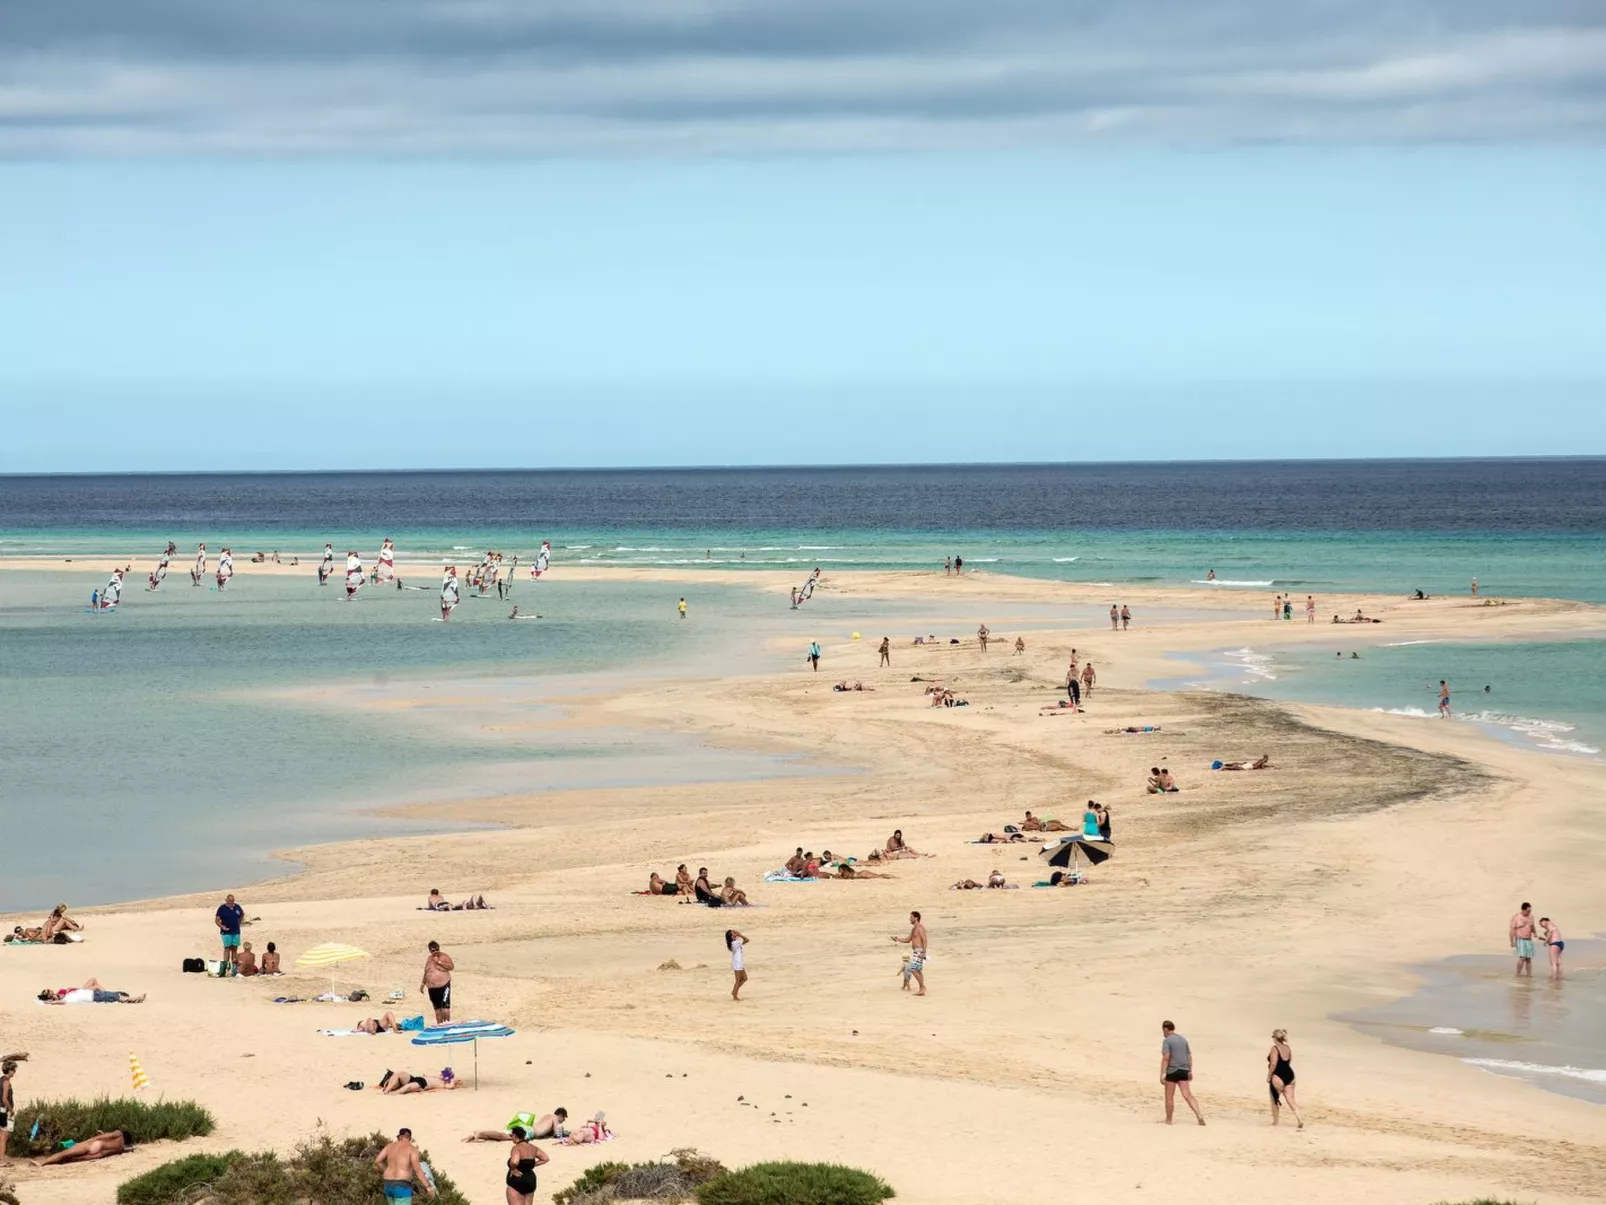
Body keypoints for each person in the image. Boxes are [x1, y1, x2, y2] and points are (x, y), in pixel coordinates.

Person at [1160, 1021, 1205, 1125]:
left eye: (1163, 1030)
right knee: (1187, 1094)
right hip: (1184, 1070)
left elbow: (1166, 1057)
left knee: (1169, 1096)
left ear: (1166, 1029)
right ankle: (1199, 1114)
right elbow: (1189, 1055)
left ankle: (1169, 1120)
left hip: (1172, 1071)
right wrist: (1189, 1070)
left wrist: (1162, 1073)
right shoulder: (1183, 1039)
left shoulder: (1167, 1041)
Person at [374, 1127, 437, 1200]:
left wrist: (386, 1171)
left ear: (400, 1137)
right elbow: (417, 1169)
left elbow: (377, 1161)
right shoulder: (412, 1149)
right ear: (410, 1138)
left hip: (388, 1184)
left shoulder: (389, 1146)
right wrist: (428, 1187)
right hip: (402, 1186)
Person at [500, 1126, 549, 1204]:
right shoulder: (533, 1147)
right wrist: (532, 1165)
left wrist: (513, 1169)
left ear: (515, 1136)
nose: (511, 1138)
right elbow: (545, 1158)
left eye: (511, 1135)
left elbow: (514, 1161)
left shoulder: (516, 1148)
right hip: (530, 1181)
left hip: (517, 1181)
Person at [31, 1129, 130, 1166]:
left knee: (65, 1153)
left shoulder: (119, 1134)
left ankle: (42, 1162)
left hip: (95, 1145)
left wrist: (89, 1140)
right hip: (97, 1154)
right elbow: (103, 1154)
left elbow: (104, 1136)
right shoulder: (120, 1149)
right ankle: (54, 1162)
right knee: (71, 1158)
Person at [1266, 1028, 1303, 1128]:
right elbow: (1288, 1061)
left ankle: (1275, 1122)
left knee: (1274, 1100)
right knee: (1291, 1099)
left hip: (1278, 1075)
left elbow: (1273, 1064)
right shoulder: (1287, 1048)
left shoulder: (1274, 1048)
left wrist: (1269, 1077)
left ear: (1275, 1038)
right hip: (1290, 1075)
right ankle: (1299, 1118)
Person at [464, 1108, 569, 1142]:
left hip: (527, 1128)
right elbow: (556, 1134)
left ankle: (476, 1135)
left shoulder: (547, 1116)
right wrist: (564, 1133)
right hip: (529, 1132)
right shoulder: (555, 1118)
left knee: (504, 1134)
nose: (562, 1121)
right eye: (563, 1119)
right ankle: (481, 1133)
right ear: (560, 1115)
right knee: (504, 1137)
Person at [892, 911, 927, 996]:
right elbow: (908, 940)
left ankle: (922, 987)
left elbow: (924, 940)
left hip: (919, 951)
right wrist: (898, 939)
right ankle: (921, 989)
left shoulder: (920, 928)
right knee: (918, 970)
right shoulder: (914, 929)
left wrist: (923, 952)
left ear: (916, 918)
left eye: (911, 917)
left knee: (913, 969)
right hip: (916, 951)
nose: (909, 919)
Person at [422, 940, 454, 1023]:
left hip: (444, 985)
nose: (436, 952)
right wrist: (423, 983)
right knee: (437, 1008)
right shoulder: (429, 959)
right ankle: (440, 1025)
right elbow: (426, 971)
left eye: (437, 949)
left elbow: (451, 966)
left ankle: (447, 1024)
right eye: (433, 950)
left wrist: (439, 962)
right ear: (430, 951)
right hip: (432, 988)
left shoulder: (444, 956)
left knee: (445, 1007)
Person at [38, 979, 145, 1004]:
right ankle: (133, 999)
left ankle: (130, 998)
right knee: (115, 996)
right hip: (94, 996)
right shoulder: (66, 998)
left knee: (112, 995)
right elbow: (60, 1002)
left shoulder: (66, 994)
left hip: (94, 994)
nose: (56, 996)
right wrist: (49, 1002)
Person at [215, 893, 245, 973]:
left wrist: (239, 922)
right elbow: (216, 920)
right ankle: (225, 967)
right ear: (226, 900)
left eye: (233, 901)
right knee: (227, 948)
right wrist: (222, 926)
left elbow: (242, 914)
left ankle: (234, 968)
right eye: (230, 901)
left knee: (234, 949)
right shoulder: (222, 908)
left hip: (236, 931)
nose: (232, 902)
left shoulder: (237, 907)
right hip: (226, 932)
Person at [378, 1068, 459, 1095]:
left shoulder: (444, 1084)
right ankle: (386, 1090)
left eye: (444, 1074)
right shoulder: (437, 1076)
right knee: (399, 1073)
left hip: (422, 1084)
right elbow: (426, 1074)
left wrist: (452, 1077)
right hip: (416, 1078)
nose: (442, 1075)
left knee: (408, 1087)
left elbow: (451, 1086)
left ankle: (393, 1093)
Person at [1510, 902, 1536, 976]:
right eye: (1528, 911)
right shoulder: (1516, 917)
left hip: (1529, 940)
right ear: (1523, 910)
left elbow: (1532, 925)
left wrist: (1535, 933)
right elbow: (1512, 930)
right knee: (1522, 957)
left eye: (1530, 911)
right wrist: (1512, 941)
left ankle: (1529, 975)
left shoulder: (1531, 916)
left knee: (1528, 958)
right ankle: (1518, 974)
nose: (1529, 912)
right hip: (1520, 939)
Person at [0, 1059, 16, 1166]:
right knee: (4, 1136)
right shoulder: (6, 1082)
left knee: (2, 1135)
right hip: (4, 1111)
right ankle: (2, 1160)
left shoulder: (1, 1079)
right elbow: (5, 1099)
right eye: (14, 1070)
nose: (14, 1072)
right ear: (9, 1070)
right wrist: (11, 1110)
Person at [727, 928, 748, 1000]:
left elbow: (746, 941)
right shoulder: (735, 943)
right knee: (738, 980)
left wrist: (738, 935)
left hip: (739, 962)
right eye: (733, 933)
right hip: (738, 963)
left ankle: (734, 991)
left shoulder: (735, 943)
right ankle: (735, 996)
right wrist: (740, 935)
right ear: (731, 936)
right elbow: (746, 940)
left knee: (745, 978)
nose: (735, 933)